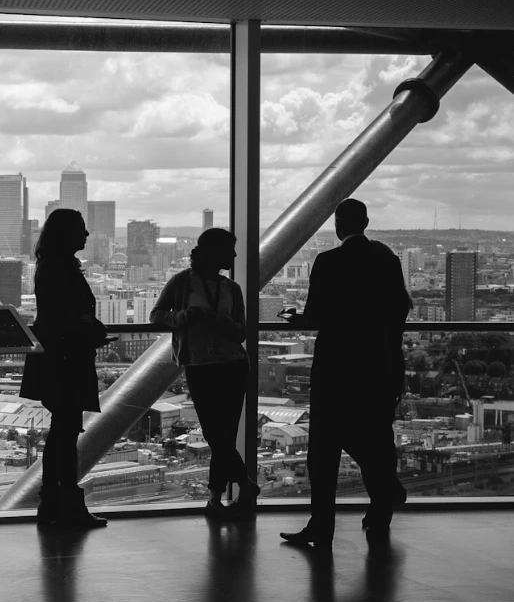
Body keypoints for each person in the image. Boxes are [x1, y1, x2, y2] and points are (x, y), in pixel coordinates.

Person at [279, 198, 412, 549]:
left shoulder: (328, 261)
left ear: (338, 226)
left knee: (324, 450)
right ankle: (381, 507)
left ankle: (322, 526)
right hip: (378, 365)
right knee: (375, 435)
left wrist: (297, 320)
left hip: (336, 366)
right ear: (366, 222)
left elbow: (317, 315)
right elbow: (400, 308)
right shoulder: (388, 261)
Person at [150, 228, 260, 517]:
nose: (235, 256)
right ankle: (243, 485)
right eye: (230, 250)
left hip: (230, 365)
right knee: (217, 435)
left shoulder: (231, 288)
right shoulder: (182, 283)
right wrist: (184, 317)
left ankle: (216, 498)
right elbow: (157, 316)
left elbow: (240, 332)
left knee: (221, 435)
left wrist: (216, 320)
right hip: (204, 365)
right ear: (214, 252)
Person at [20, 209, 110, 528]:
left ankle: (55, 503)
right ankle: (66, 504)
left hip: (57, 357)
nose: (86, 236)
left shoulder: (51, 266)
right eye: (82, 230)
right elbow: (66, 316)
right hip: (67, 359)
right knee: (65, 433)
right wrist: (90, 330)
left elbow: (57, 315)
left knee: (62, 433)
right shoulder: (61, 268)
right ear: (67, 234)